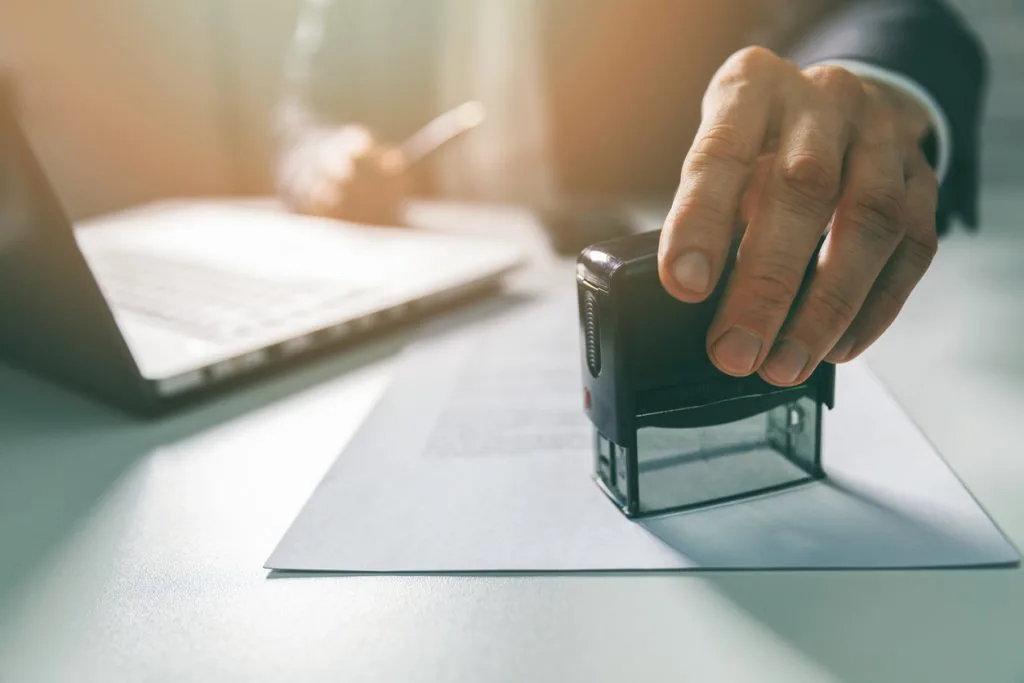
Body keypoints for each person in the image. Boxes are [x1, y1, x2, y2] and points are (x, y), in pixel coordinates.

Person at [275, 0, 987, 388]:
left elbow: (895, 14)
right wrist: (321, 154)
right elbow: (306, 107)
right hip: (423, 283)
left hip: (660, 281)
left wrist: (864, 85)